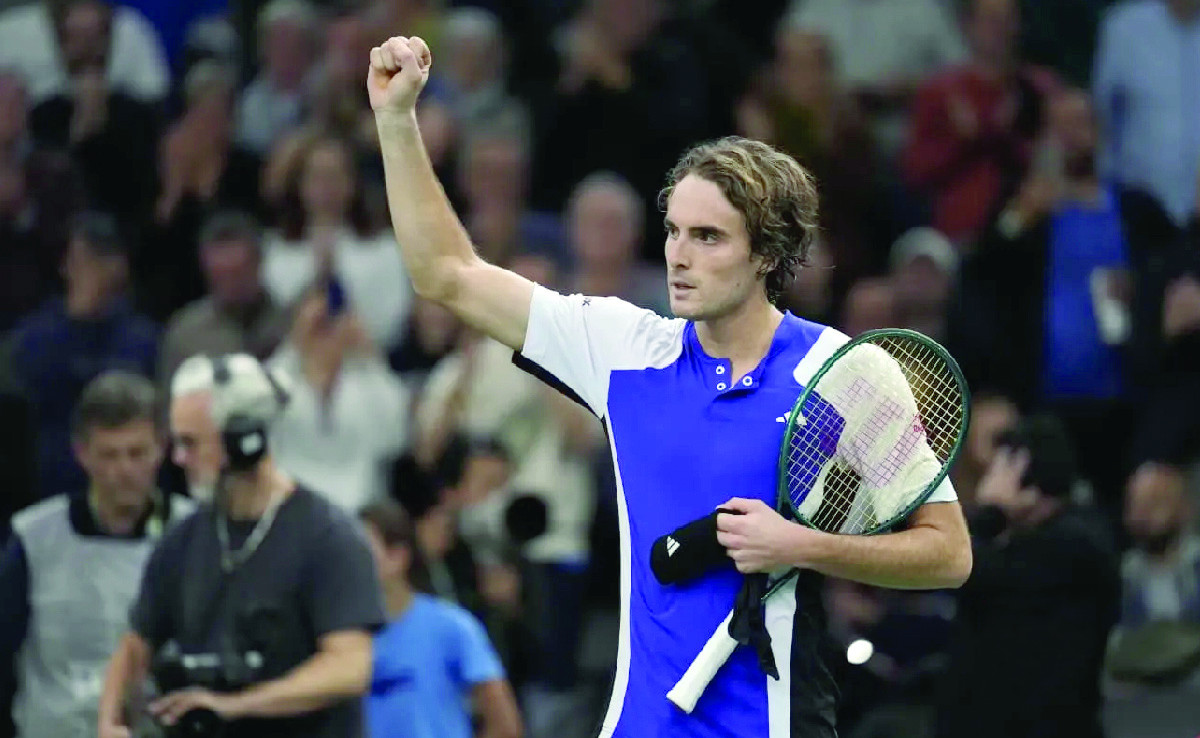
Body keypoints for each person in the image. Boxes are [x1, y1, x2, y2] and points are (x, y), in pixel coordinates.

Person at [367, 36, 972, 738]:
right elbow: (446, 272)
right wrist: (396, 121)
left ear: (769, 253)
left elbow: (949, 554)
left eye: (708, 237)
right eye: (674, 231)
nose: (679, 256)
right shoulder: (624, 348)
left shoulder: (846, 374)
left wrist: (802, 546)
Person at [96, 353, 385, 738]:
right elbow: (135, 645)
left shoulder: (328, 536)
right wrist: (110, 723)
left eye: (191, 442)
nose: (178, 459)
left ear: (244, 440)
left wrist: (236, 705)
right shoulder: (183, 540)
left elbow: (350, 667)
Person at [0, 371, 192, 738]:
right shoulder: (34, 540)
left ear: (162, 448)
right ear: (81, 454)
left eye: (137, 453)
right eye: (109, 455)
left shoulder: (191, 535)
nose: (124, 470)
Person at [935, 414, 1120, 738]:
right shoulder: (1027, 542)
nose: (990, 480)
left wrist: (990, 511)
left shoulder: (1073, 546)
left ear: (1025, 475)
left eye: (1001, 469)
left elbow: (960, 568)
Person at [359, 500, 522, 738]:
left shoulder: (450, 626)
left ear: (397, 556)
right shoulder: (340, 634)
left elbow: (505, 724)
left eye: (360, 550)